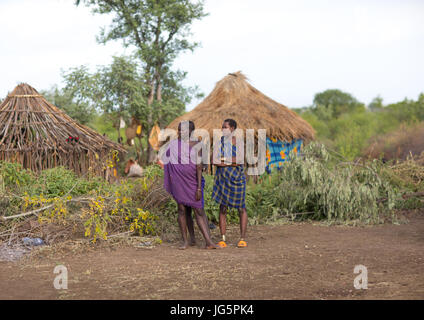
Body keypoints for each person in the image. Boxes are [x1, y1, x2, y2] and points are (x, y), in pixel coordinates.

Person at [163, 121, 217, 250]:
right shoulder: (174, 145)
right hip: (179, 182)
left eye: (184, 130)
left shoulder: (198, 145)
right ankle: (187, 241)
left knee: (198, 209)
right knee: (182, 210)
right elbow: (167, 161)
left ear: (191, 131)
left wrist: (198, 187)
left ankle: (208, 241)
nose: (181, 132)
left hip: (194, 182)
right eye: (180, 130)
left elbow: (203, 165)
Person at [212, 119, 248, 248]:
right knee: (222, 208)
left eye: (225, 127)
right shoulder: (218, 143)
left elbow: (239, 161)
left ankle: (242, 238)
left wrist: (223, 159)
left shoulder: (239, 143)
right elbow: (214, 160)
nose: (222, 129)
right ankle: (223, 238)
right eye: (222, 127)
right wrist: (230, 161)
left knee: (241, 208)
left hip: (237, 180)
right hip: (222, 180)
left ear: (232, 129)